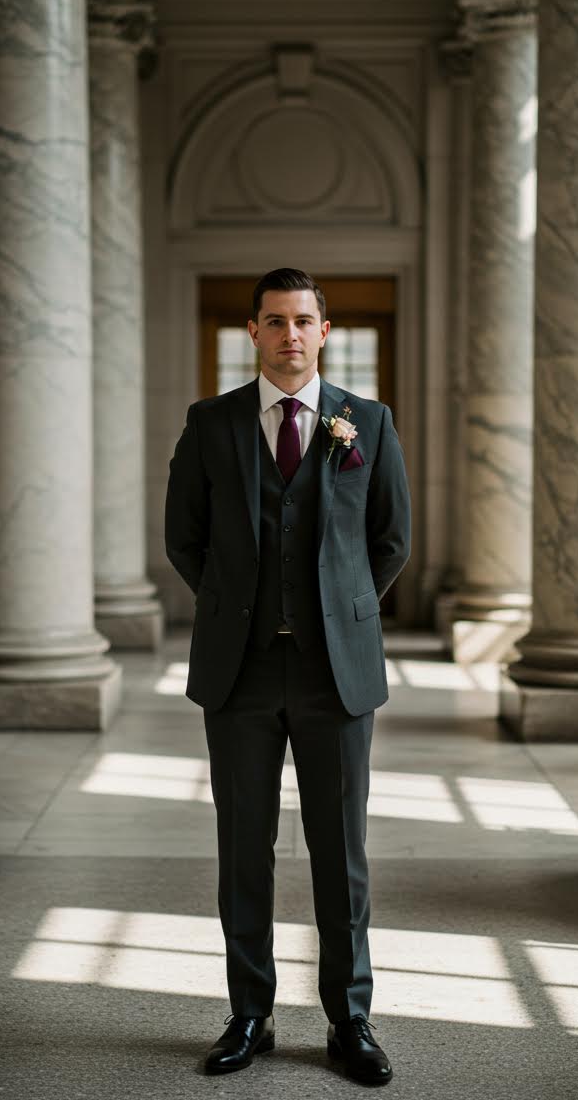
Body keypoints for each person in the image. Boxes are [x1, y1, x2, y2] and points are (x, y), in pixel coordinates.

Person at [165, 267, 411, 1085]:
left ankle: (351, 1019)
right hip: (238, 674)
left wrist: (338, 615)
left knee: (341, 852)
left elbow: (391, 540)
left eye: (304, 320)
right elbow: (183, 537)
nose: (290, 335)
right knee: (245, 847)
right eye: (275, 321)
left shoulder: (365, 422)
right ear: (254, 331)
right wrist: (235, 607)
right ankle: (250, 1014)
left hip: (333, 675)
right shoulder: (211, 423)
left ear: (325, 330)